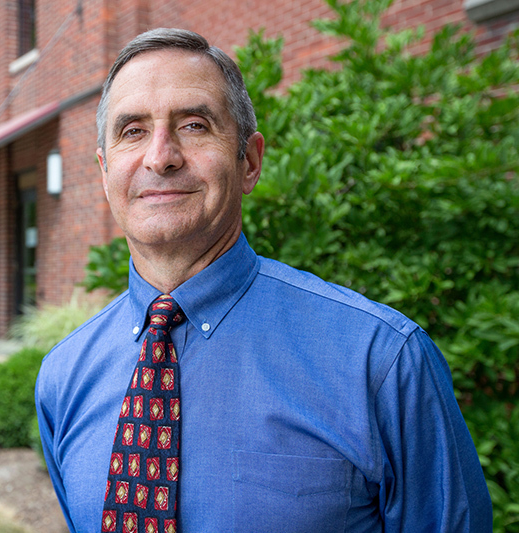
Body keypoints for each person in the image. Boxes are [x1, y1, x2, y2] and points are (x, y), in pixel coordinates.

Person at [35, 28, 492, 532]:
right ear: (104, 172)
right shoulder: (63, 378)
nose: (160, 156)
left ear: (249, 162)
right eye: (133, 131)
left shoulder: (382, 362)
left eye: (193, 124)